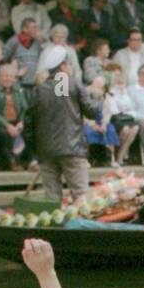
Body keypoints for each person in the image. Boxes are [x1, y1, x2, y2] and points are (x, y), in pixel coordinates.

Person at [34, 44, 102, 199]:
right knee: (80, 196)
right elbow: (92, 112)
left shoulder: (40, 89)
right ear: (63, 66)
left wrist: (36, 150)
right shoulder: (70, 83)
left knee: (52, 198)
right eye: (69, 64)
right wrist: (97, 95)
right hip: (71, 148)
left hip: (46, 150)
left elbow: (30, 123)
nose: (71, 67)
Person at [0, 60, 31, 171]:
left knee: (30, 130)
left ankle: (32, 161)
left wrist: (21, 122)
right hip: (0, 122)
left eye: (11, 76)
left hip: (16, 122)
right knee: (3, 133)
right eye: (5, 76)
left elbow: (25, 108)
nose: (8, 79)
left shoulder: (18, 89)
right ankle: (12, 162)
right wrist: (7, 125)